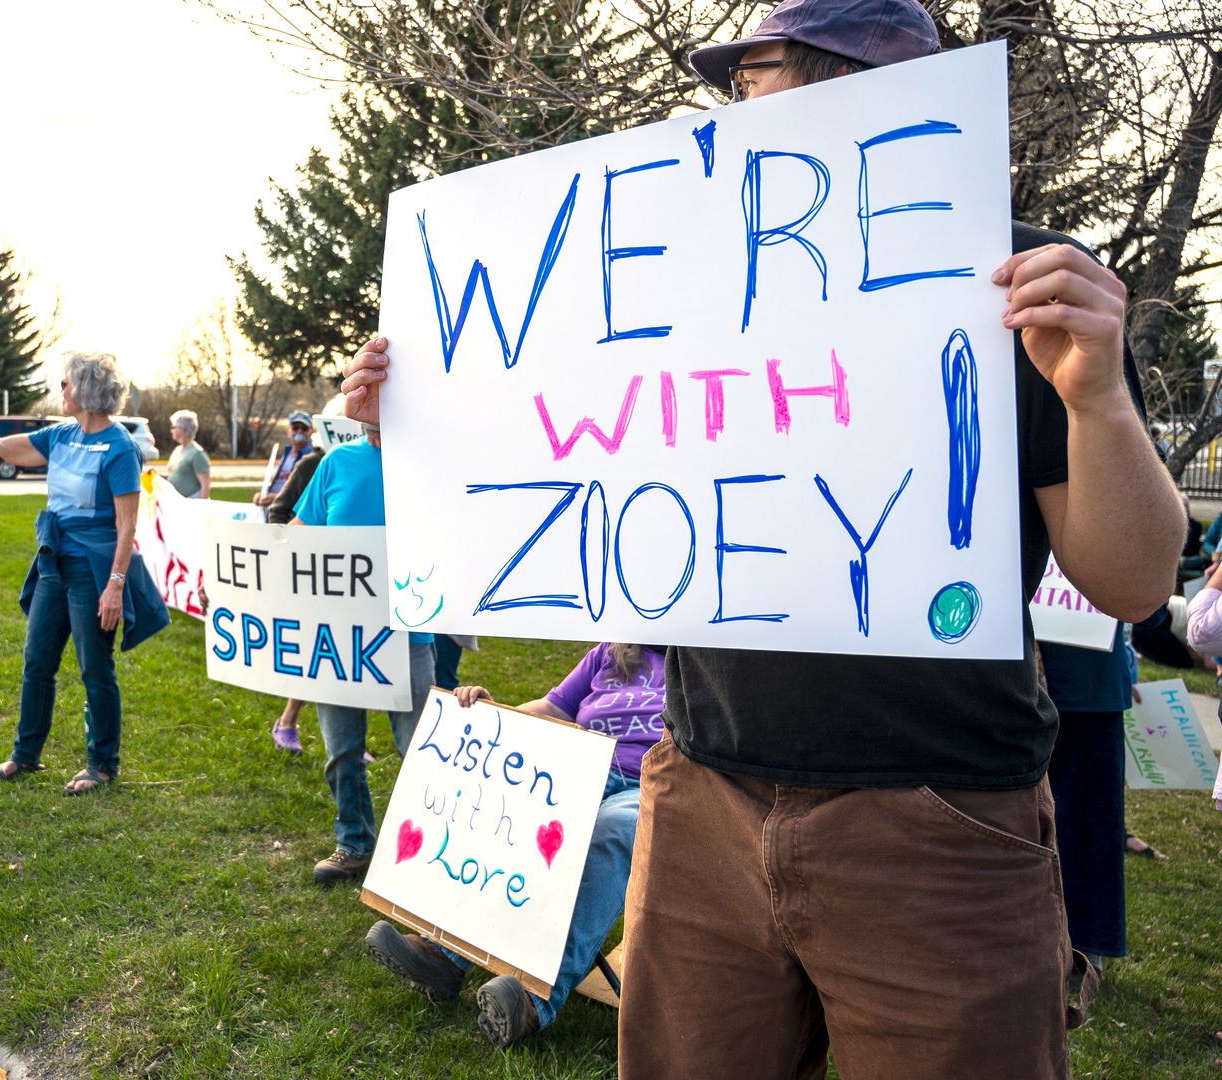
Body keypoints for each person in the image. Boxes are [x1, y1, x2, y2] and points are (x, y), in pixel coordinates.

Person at [338, 2, 1184, 1069]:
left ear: (861, 88)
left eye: (757, 75)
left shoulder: (1023, 287)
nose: (735, 107)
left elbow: (1135, 580)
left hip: (939, 815)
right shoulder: (665, 287)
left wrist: (1099, 401)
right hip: (702, 802)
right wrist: (424, 417)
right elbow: (556, 446)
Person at [364, 643, 666, 1048]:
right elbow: (553, 707)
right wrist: (490, 719)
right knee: (513, 810)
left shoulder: (706, 662)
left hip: (652, 781)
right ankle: (445, 954)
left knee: (609, 834)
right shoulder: (611, 651)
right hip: (576, 769)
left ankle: (533, 999)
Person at [0, 354, 170, 795]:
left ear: (86, 391)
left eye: (66, 384)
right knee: (37, 663)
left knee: (95, 669)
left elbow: (128, 525)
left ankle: (103, 764)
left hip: (94, 571)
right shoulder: (60, 436)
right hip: (54, 565)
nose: (61, 390)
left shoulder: (121, 448)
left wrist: (115, 585)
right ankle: (25, 755)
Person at [289, 426, 434, 882]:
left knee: (421, 750)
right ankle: (355, 843)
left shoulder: (430, 460)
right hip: (338, 636)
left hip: (408, 635)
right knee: (341, 750)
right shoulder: (336, 462)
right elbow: (298, 535)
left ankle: (427, 849)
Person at [1039, 630, 1134, 973]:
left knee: (1089, 825)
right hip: (1077, 683)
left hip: (1085, 686)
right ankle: (1080, 944)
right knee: (1087, 824)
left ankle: (1082, 946)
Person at [262, 442, 328, 754]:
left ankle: (350, 740)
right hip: (311, 574)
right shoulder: (314, 464)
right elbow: (278, 512)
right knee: (314, 651)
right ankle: (288, 721)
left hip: (354, 582)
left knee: (355, 658)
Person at [252, 411, 319, 512]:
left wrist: (278, 498)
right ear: (288, 431)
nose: (299, 431)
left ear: (311, 431)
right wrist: (261, 496)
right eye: (295, 428)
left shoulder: (311, 457)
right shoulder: (286, 453)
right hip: (272, 510)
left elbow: (308, 493)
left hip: (289, 515)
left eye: (304, 428)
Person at [165, 409, 212, 498]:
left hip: (192, 505)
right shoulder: (177, 450)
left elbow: (205, 485)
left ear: (183, 429)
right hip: (178, 504)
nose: (171, 431)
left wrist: (203, 509)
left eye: (174, 427)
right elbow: (173, 474)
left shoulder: (197, 453)